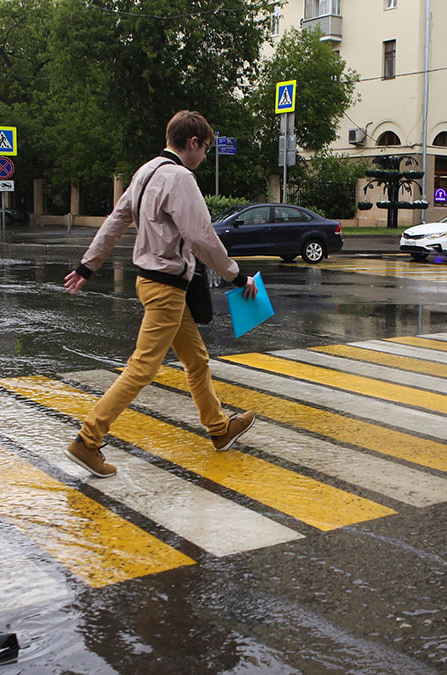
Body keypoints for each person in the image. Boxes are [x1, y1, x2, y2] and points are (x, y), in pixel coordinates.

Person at [61, 110, 258, 478]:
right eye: (206, 148)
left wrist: (88, 266)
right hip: (166, 287)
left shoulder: (145, 172)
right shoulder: (180, 177)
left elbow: (116, 221)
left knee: (196, 359)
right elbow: (201, 236)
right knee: (142, 367)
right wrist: (235, 275)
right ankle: (88, 439)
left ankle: (219, 428)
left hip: (153, 283)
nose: (205, 156)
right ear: (193, 142)